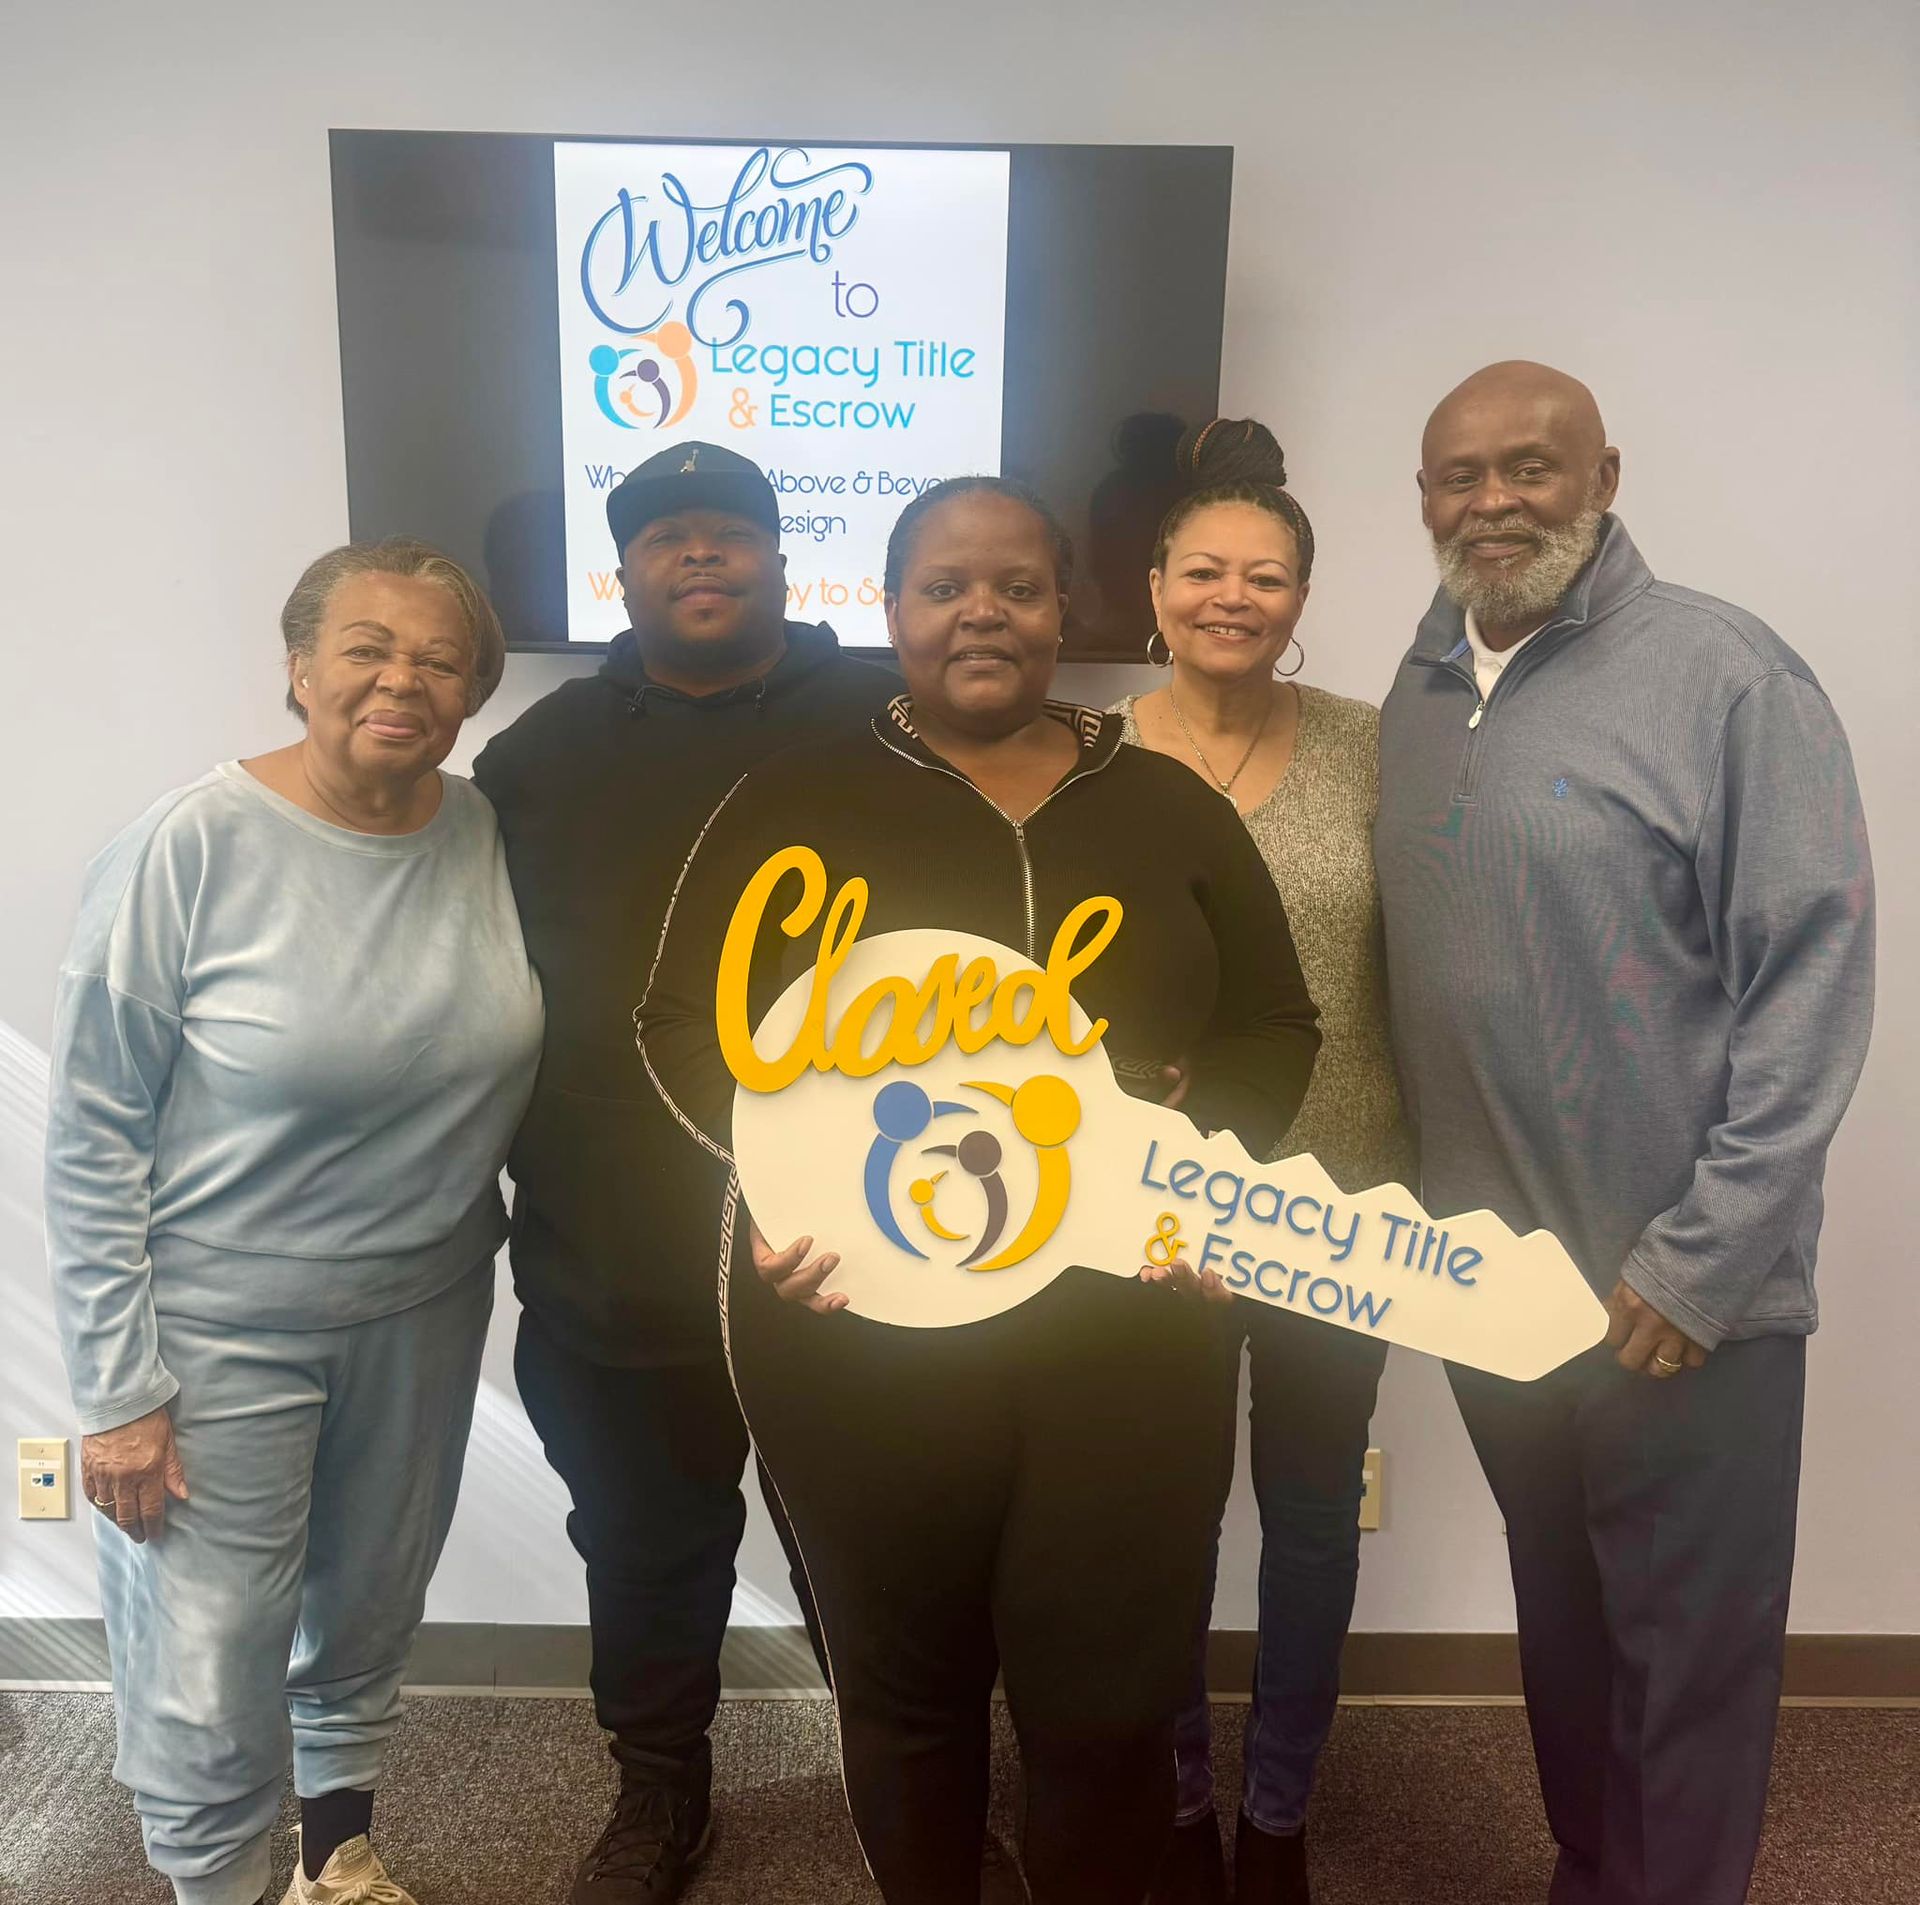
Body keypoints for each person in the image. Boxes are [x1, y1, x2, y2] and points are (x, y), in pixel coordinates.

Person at [637, 476, 1322, 1905]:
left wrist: (1205, 1178)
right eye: (944, 587)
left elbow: (1276, 1024)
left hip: (1130, 1328)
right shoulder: (796, 796)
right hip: (859, 1330)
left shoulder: (1167, 806)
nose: (982, 613)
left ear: (1066, 606)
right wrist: (784, 1182)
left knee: (1106, 1708)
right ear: (888, 611)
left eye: (1016, 585)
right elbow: (677, 1025)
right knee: (909, 1703)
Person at [1375, 361, 1875, 1905]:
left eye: (1533, 467)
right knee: (1571, 1636)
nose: (1496, 501)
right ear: (1425, 500)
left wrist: (1707, 1255)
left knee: (1687, 1669)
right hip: (1496, 1291)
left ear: (1604, 476)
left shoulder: (1728, 675)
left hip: (1680, 1300)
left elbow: (1814, 975)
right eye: (1461, 476)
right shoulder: (1417, 684)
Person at [44, 541, 544, 1905]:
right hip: (217, 1335)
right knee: (208, 1659)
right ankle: (218, 1887)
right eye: (366, 645)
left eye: (440, 659)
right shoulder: (186, 846)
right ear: (299, 666)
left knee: (367, 1617)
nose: (402, 679)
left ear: (475, 690)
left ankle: (339, 1857)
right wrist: (118, 1394)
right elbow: (90, 1137)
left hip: (425, 1308)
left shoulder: (481, 831)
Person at [471, 441, 890, 1904]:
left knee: (881, 1545)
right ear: (625, 570)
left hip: (863, 1240)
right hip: (615, 1242)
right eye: (666, 540)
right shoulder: (536, 756)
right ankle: (658, 1797)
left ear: (783, 557)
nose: (698, 557)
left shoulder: (892, 717)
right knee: (649, 1551)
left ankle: (924, 1793)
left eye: (729, 534)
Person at [1116, 419, 1416, 1905]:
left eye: (1269, 575)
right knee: (1160, 1508)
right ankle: (1176, 1805)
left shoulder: (1380, 745)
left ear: (1302, 596)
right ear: (1153, 583)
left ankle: (1278, 1818)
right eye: (1206, 570)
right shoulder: (1089, 753)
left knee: (1307, 1514)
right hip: (1151, 1206)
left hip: (1343, 1199)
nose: (1234, 596)